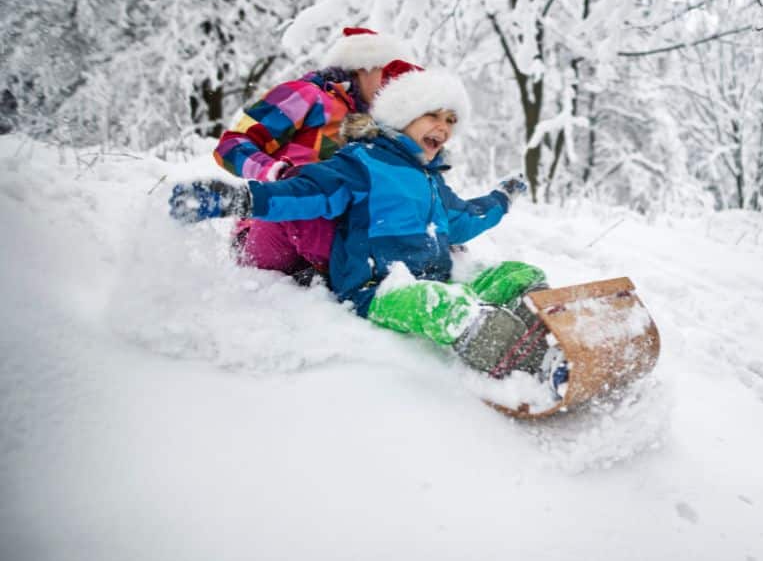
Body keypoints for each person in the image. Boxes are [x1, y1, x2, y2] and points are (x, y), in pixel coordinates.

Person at [171, 65, 556, 381]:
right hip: (378, 289)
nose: (444, 126)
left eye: (451, 119)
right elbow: (303, 192)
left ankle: (551, 338)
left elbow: (463, 220)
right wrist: (239, 198)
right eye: (433, 115)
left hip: (436, 278)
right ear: (404, 116)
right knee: (440, 305)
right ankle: (522, 368)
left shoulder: (431, 180)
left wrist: (501, 199)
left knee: (520, 274)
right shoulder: (361, 163)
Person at [213, 27, 419, 283]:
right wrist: (275, 172)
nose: (392, 84)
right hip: (273, 227)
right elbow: (231, 145)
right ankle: (363, 277)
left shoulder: (380, 130)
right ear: (363, 66)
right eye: (387, 74)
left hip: (333, 235)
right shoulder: (309, 96)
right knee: (308, 198)